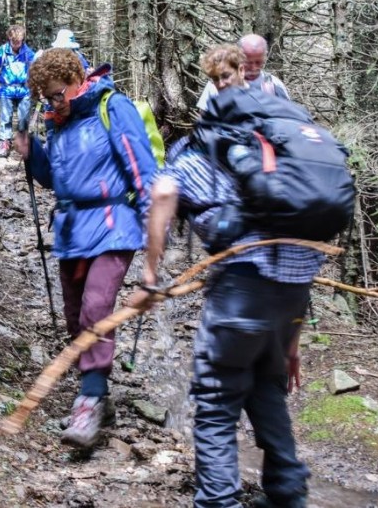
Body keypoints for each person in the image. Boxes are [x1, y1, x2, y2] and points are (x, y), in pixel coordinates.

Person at [128, 44, 324, 508]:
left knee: (216, 404)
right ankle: (287, 494)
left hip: (242, 286)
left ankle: (218, 502)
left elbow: (163, 194)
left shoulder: (207, 141)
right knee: (266, 384)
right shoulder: (283, 136)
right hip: (295, 285)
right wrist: (291, 343)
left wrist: (151, 276)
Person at [14, 48, 157, 449]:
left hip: (114, 225)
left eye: (58, 94)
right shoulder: (57, 121)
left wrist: (152, 236)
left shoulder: (113, 107)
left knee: (97, 308)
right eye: (46, 97)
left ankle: (89, 401)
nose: (53, 103)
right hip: (72, 230)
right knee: (76, 317)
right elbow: (52, 178)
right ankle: (97, 392)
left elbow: (144, 171)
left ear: (78, 80)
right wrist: (33, 153)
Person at [196, 34, 290, 111]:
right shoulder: (218, 84)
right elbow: (203, 122)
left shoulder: (273, 86)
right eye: (248, 62)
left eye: (258, 62)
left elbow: (288, 120)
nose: (253, 67)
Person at [0, 25, 36, 158]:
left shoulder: (28, 52)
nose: (16, 44)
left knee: (24, 119)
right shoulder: (2, 51)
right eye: (14, 42)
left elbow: (36, 66)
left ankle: (23, 142)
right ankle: (4, 143)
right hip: (6, 88)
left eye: (19, 42)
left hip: (24, 89)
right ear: (9, 38)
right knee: (5, 118)